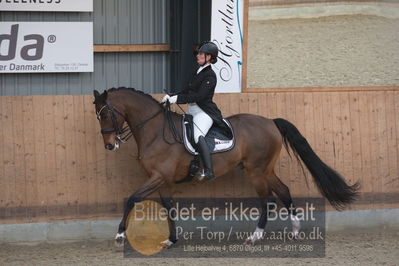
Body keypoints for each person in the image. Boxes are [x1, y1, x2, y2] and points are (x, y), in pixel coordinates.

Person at [162, 41, 225, 181]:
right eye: (198, 53)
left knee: (197, 135)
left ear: (209, 57)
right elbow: (187, 90)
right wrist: (172, 95)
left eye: (201, 54)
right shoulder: (197, 72)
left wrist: (177, 99)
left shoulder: (210, 76)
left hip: (204, 112)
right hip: (192, 111)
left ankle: (209, 171)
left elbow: (199, 96)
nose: (198, 56)